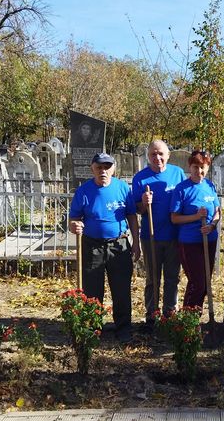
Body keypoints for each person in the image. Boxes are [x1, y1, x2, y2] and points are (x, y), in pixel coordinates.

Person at [69, 152, 141, 344]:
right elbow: (73, 220)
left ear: (113, 169)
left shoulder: (123, 188)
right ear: (92, 169)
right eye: (99, 167)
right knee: (92, 290)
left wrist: (136, 243)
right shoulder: (83, 192)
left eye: (107, 167)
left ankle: (124, 328)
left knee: (121, 289)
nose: (103, 171)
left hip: (119, 245)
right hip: (92, 246)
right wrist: (75, 226)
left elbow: (132, 216)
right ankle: (93, 326)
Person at [132, 140, 187, 330]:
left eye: (161, 154)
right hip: (151, 237)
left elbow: (184, 200)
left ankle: (170, 314)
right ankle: (151, 315)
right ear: (148, 157)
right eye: (153, 154)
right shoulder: (140, 178)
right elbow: (136, 209)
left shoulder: (177, 174)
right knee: (152, 279)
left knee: (172, 278)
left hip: (173, 236)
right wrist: (143, 202)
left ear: (168, 155)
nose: (158, 158)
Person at [170, 150, 220, 310]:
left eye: (202, 167)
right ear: (189, 167)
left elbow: (218, 211)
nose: (199, 171)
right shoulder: (182, 189)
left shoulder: (209, 185)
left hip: (209, 240)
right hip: (190, 242)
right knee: (197, 282)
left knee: (205, 281)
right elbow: (175, 218)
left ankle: (195, 317)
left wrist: (212, 225)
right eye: (195, 167)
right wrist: (196, 216)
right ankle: (187, 321)